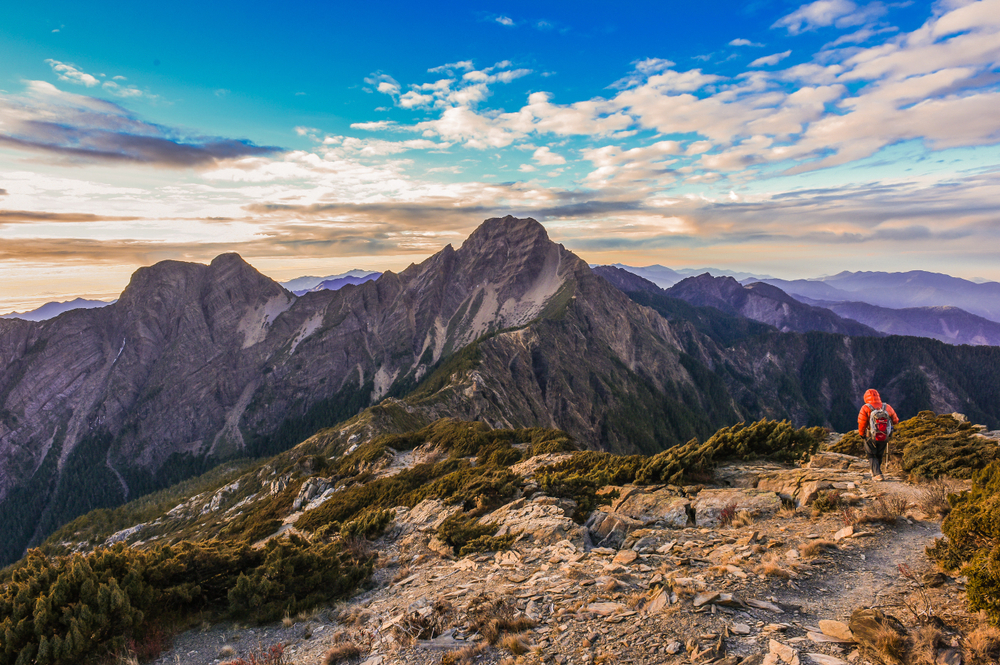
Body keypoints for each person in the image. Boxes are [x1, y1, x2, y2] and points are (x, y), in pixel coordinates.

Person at [857, 388, 899, 481]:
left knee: (871, 454)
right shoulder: (887, 407)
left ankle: (877, 474)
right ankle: (876, 470)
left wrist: (861, 434)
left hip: (869, 435)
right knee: (879, 454)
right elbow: (895, 420)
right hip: (884, 435)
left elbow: (862, 423)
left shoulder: (865, 408)